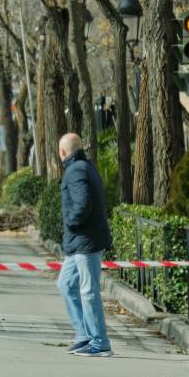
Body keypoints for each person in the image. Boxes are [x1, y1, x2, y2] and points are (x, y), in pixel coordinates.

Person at [57, 133, 114, 358]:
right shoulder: (84, 166)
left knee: (89, 292)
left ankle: (100, 342)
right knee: (65, 284)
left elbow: (82, 203)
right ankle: (84, 334)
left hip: (85, 241)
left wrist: (71, 221)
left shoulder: (76, 170)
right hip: (80, 241)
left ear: (63, 153)